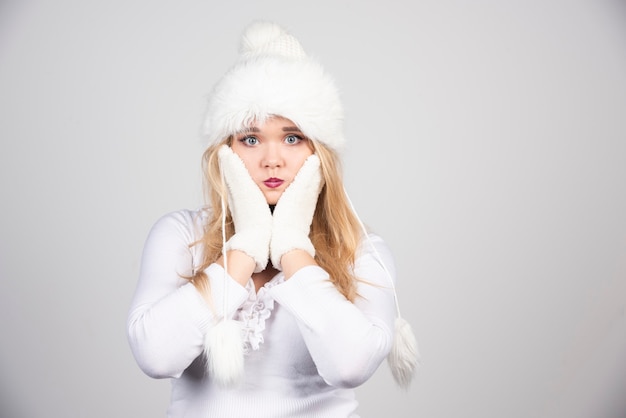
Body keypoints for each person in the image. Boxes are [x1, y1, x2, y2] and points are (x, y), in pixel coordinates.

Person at [127, 21, 419, 418]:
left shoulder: (361, 249)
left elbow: (351, 365)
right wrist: (246, 245)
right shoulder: (182, 235)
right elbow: (156, 356)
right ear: (224, 152)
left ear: (321, 152)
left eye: (293, 137)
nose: (272, 159)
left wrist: (291, 248)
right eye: (250, 139)